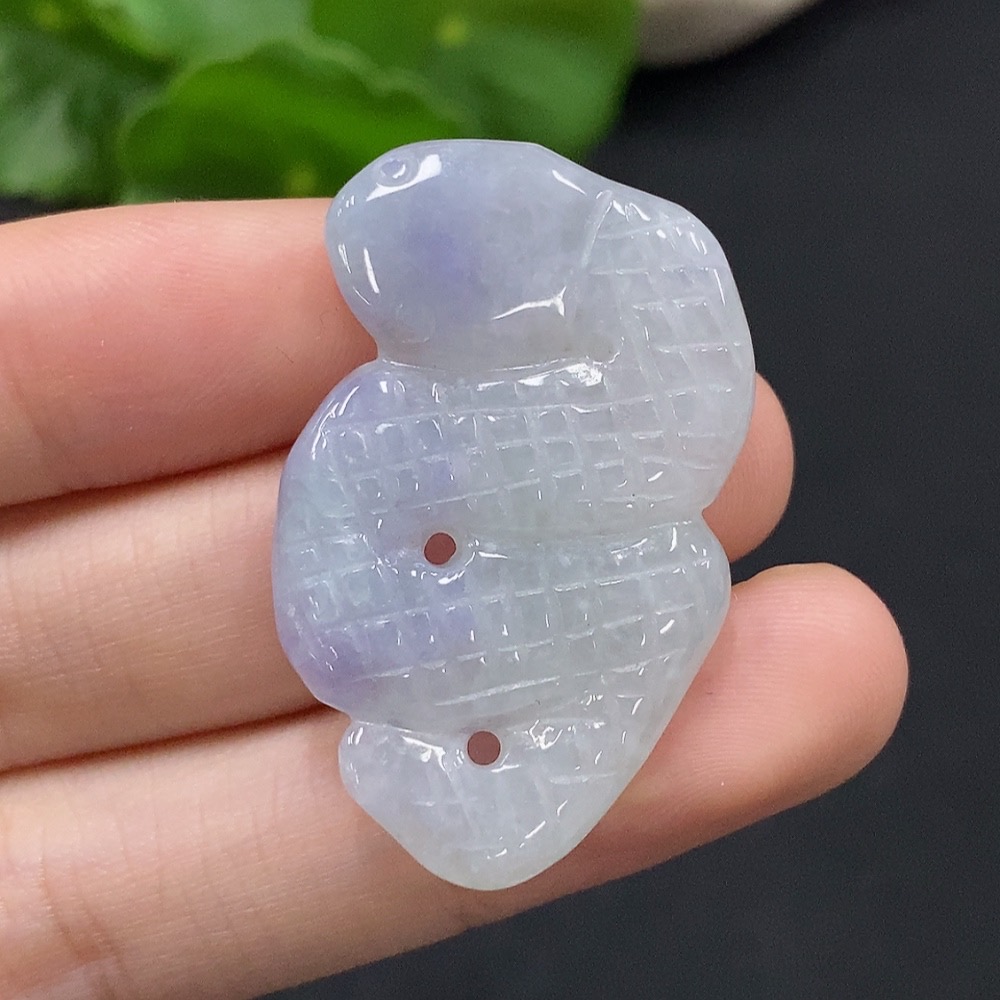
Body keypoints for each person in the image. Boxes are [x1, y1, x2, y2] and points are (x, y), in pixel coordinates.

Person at [0, 201, 908, 999]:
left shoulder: (605, 470)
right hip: (425, 644)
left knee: (672, 581)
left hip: (525, 631)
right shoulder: (383, 431)